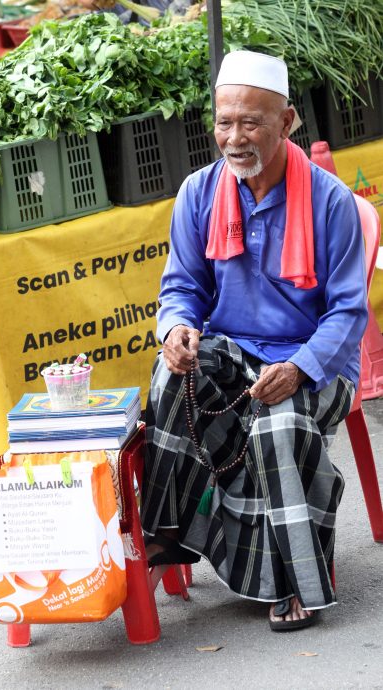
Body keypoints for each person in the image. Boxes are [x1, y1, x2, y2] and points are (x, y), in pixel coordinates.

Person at [140, 50, 368, 631]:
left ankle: (291, 577)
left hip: (316, 360)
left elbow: (347, 313)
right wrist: (177, 329)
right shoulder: (198, 192)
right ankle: (174, 528)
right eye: (223, 122)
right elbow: (182, 287)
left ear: (287, 122)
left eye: (251, 122)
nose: (234, 138)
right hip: (234, 348)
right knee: (173, 372)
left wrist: (301, 367)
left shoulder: (329, 201)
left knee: (280, 421)